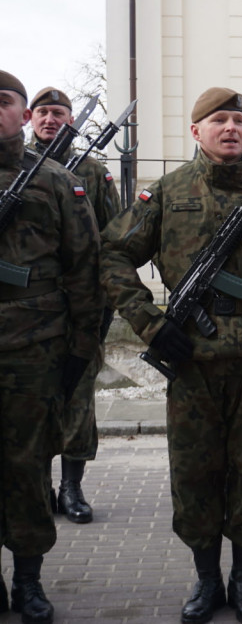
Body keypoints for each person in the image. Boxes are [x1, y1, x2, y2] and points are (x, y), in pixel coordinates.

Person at [100, 87, 242, 623]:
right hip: (191, 362)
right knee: (195, 473)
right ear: (195, 132)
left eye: (240, 121)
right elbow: (112, 255)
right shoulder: (169, 192)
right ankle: (205, 579)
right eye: (218, 120)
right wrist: (150, 325)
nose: (230, 128)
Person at [0, 70, 102, 624]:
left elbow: (85, 268)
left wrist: (80, 352)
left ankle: (29, 581)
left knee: (29, 469)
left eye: (5, 101)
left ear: (21, 115)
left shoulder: (56, 181)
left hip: (33, 352)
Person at [29, 87, 121, 525]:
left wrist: (102, 310)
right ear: (30, 118)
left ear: (71, 120)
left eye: (59, 113)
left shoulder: (93, 172)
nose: (50, 120)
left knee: (78, 399)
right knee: (28, 404)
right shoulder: (16, 169)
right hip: (27, 312)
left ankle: (72, 487)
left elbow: (113, 240)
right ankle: (37, 487)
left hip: (80, 307)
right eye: (43, 113)